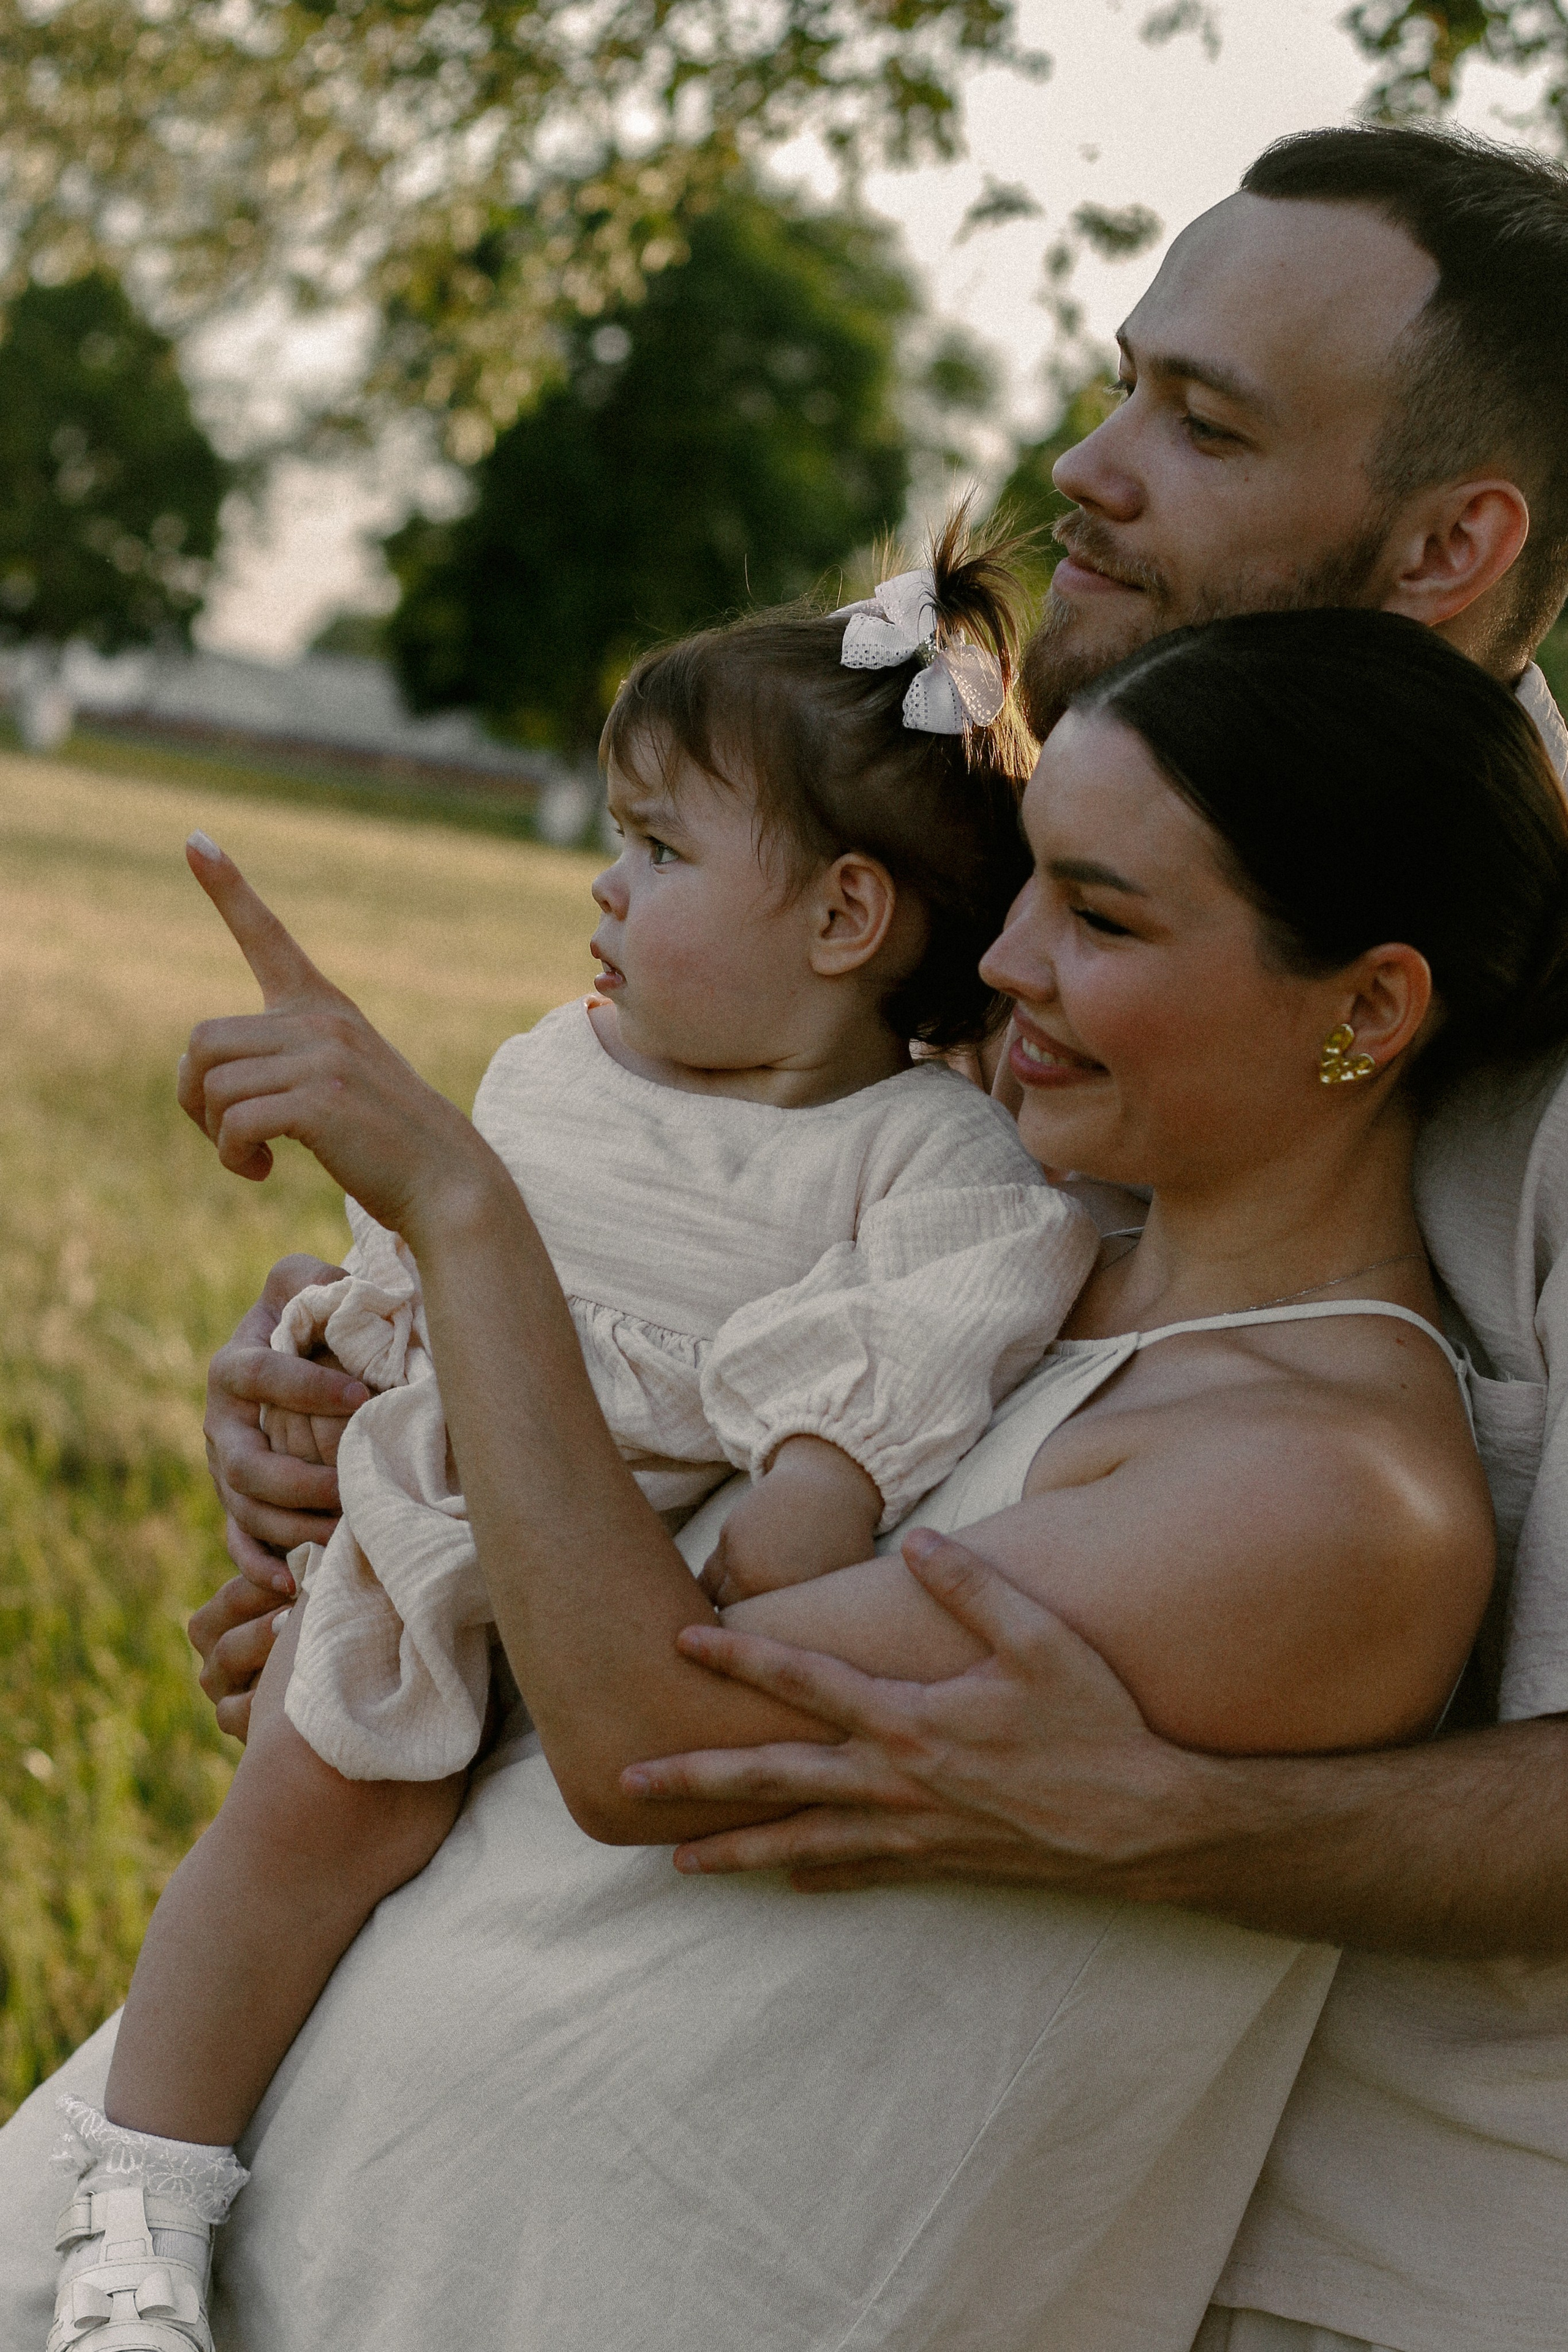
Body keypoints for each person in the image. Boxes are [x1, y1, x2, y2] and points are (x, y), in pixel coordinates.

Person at [178, 122, 1568, 2352]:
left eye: (1204, 424)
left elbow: (716, 1724)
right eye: (1123, 382)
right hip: (613, 2104)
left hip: (1325, 2257)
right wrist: (376, 1464)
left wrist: (1165, 1818)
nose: (1087, 468)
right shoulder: (1082, 864)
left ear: (1453, 541)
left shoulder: (1408, 1085)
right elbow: (717, 1396)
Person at [42, 526, 1102, 2345]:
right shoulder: (558, 1067)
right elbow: (414, 1273)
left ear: (848, 920)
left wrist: (806, 1495)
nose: (608, 889)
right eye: (622, 837)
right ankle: (138, 2213)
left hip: (642, 1600)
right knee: (305, 1828)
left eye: (662, 849)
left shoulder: (927, 1155)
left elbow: (913, 1346)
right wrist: (321, 1356)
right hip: (443, 1547)